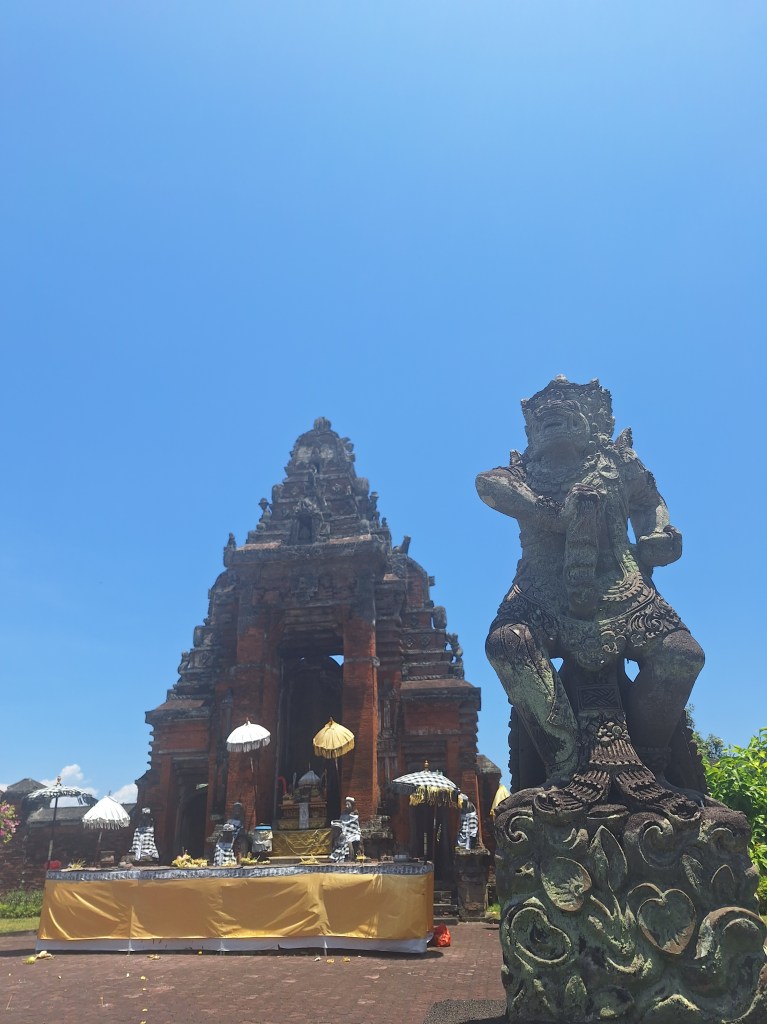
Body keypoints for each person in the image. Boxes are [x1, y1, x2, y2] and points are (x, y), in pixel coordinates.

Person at [330, 796, 362, 862]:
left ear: (352, 805)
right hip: (344, 831)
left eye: (348, 804)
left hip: (353, 832)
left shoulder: (355, 813)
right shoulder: (343, 813)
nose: (347, 806)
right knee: (341, 838)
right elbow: (342, 823)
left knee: (357, 838)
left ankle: (354, 855)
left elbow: (355, 825)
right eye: (346, 804)